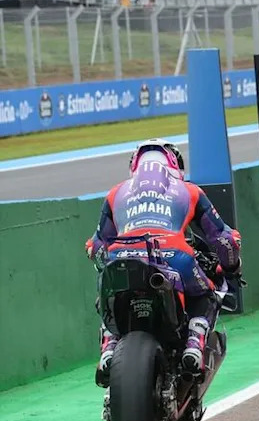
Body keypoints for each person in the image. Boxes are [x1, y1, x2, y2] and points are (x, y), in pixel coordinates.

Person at [86, 139, 242, 387]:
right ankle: (194, 341)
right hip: (174, 257)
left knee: (105, 300)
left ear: (134, 166)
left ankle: (108, 347)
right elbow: (222, 239)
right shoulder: (189, 191)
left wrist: (104, 265)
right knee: (207, 294)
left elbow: (96, 247)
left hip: (121, 258)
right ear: (175, 165)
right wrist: (232, 267)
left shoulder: (116, 193)